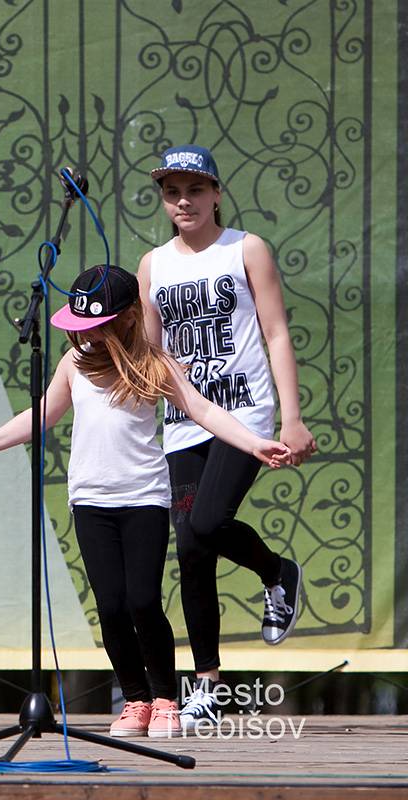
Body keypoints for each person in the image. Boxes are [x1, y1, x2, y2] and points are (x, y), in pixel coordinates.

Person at [0, 264, 290, 738]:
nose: (86, 335)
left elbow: (203, 410)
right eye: (81, 326)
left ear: (129, 318)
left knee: (143, 601)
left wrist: (254, 443)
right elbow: (44, 413)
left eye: (97, 325)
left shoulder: (155, 364)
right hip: (90, 501)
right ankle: (136, 699)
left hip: (143, 500)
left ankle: (165, 699)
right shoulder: (73, 365)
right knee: (111, 606)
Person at [137, 145, 317, 728]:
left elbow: (277, 333)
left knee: (208, 522)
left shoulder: (246, 248)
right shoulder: (152, 265)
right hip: (184, 421)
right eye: (172, 192)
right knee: (191, 547)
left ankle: (276, 572)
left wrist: (291, 417)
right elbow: (151, 351)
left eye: (195, 190)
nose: (183, 201)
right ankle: (208, 687)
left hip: (245, 413)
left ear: (216, 193)